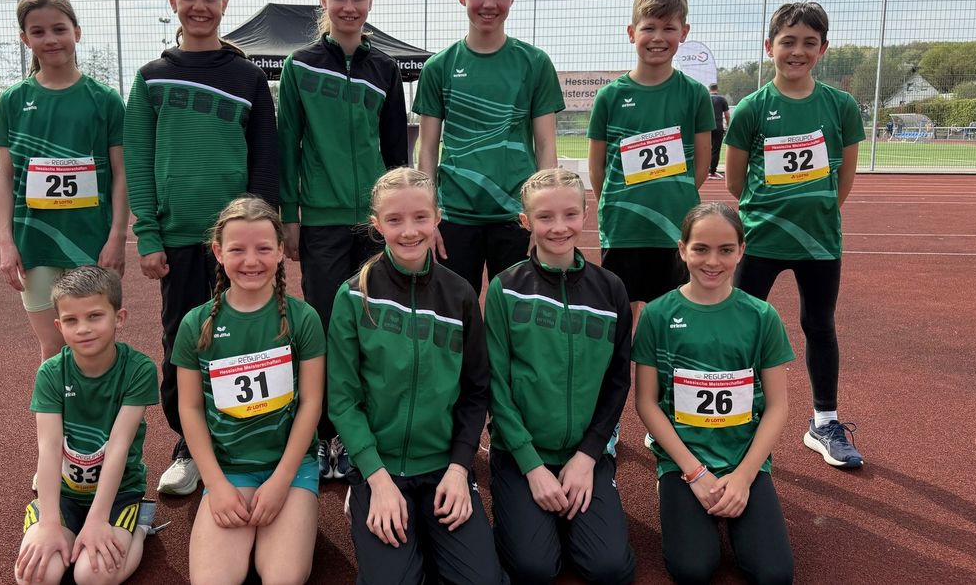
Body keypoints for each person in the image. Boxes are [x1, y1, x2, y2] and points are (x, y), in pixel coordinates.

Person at [124, 0, 280, 496]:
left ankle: (250, 439)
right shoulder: (151, 77)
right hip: (180, 240)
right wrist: (148, 235)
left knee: (247, 340)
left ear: (224, 3)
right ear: (173, 3)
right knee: (183, 343)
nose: (199, 6)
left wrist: (261, 238)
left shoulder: (248, 78)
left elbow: (265, 164)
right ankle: (189, 447)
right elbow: (138, 161)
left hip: (239, 246)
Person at [327, 167, 505, 585]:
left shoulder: (460, 294)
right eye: (394, 220)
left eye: (420, 217)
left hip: (443, 467)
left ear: (437, 217)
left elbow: (475, 390)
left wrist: (460, 469)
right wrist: (375, 479)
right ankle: (362, 494)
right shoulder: (353, 295)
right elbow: (343, 399)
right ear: (377, 225)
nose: (409, 231)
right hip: (381, 467)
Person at [277, 0, 408, 481]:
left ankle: (366, 434)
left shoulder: (386, 69)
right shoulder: (300, 65)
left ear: (370, 1)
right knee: (330, 327)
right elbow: (289, 145)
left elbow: (396, 151)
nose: (348, 6)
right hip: (322, 221)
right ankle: (327, 434)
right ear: (323, 1)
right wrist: (290, 216)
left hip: (375, 222)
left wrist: (399, 216)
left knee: (375, 325)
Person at [724, 1, 865, 469]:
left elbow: (844, 179)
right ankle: (731, 420)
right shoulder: (752, 108)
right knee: (742, 328)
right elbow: (735, 182)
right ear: (770, 47)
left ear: (823, 49)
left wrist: (814, 213)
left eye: (809, 42)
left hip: (819, 241)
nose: (797, 51)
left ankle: (824, 422)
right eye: (788, 41)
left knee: (819, 325)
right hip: (761, 239)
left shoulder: (840, 106)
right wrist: (774, 213)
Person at [485, 168, 636, 584]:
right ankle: (525, 510)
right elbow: (496, 383)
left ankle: (574, 511)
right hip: (522, 454)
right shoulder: (505, 288)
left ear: (586, 214)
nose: (559, 227)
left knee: (610, 570)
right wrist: (532, 466)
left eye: (570, 214)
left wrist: (588, 456)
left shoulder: (610, 289)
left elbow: (617, 381)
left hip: (584, 454)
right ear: (525, 221)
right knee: (534, 568)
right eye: (544, 217)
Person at [634, 203, 794, 585]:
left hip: (742, 457)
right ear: (682, 249)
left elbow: (777, 406)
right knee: (693, 569)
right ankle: (670, 487)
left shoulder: (762, 317)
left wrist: (744, 477)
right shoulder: (657, 315)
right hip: (684, 459)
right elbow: (646, 402)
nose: (713, 261)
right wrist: (693, 472)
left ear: (741, 250)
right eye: (701, 249)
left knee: (774, 575)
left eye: (725, 250)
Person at [172, 197, 324, 585]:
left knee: (283, 578)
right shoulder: (195, 324)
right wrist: (216, 484)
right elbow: (190, 408)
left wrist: (281, 480)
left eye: (263, 249)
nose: (251, 261)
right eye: (237, 249)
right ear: (218, 252)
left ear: (280, 251)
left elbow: (311, 403)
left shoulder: (303, 319)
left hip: (290, 468)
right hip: (229, 470)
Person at [414, 0, 565, 295]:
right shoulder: (439, 67)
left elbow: (545, 146)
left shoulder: (535, 63)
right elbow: (428, 149)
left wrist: (543, 214)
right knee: (453, 313)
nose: (489, 3)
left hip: (515, 216)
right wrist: (427, 212)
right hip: (454, 216)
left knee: (516, 313)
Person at [0, 0, 128, 363]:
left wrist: (118, 236)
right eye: (38, 32)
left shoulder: (105, 100)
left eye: (59, 29)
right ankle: (54, 407)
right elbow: (5, 176)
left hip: (91, 241)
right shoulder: (13, 101)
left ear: (76, 32)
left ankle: (101, 406)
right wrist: (5, 241)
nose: (50, 39)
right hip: (34, 243)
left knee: (93, 345)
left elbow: (122, 173)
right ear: (25, 39)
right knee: (53, 348)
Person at [15, 266, 159, 585]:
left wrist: (97, 520)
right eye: (71, 320)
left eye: (95, 316)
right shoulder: (52, 373)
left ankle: (139, 524)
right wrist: (49, 523)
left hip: (119, 491)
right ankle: (59, 523)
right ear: (59, 325)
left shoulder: (139, 370)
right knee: (35, 577)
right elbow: (49, 449)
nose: (83, 329)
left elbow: (119, 445)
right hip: (65, 493)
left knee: (91, 576)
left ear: (119, 318)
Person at [586, 0, 714, 325]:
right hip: (622, 229)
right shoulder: (610, 97)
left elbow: (701, 166)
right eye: (649, 27)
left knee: (671, 323)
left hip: (674, 229)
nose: (658, 37)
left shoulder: (694, 94)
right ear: (631, 33)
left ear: (684, 32)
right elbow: (597, 168)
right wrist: (619, 202)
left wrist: (673, 195)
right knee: (619, 324)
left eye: (669, 28)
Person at [708, 83, 730, 179]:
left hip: (706, 128)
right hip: (718, 127)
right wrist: (728, 126)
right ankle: (712, 171)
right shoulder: (722, 99)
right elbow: (727, 115)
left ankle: (703, 170)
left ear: (709, 89)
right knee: (716, 150)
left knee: (704, 149)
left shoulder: (705, 98)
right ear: (717, 89)